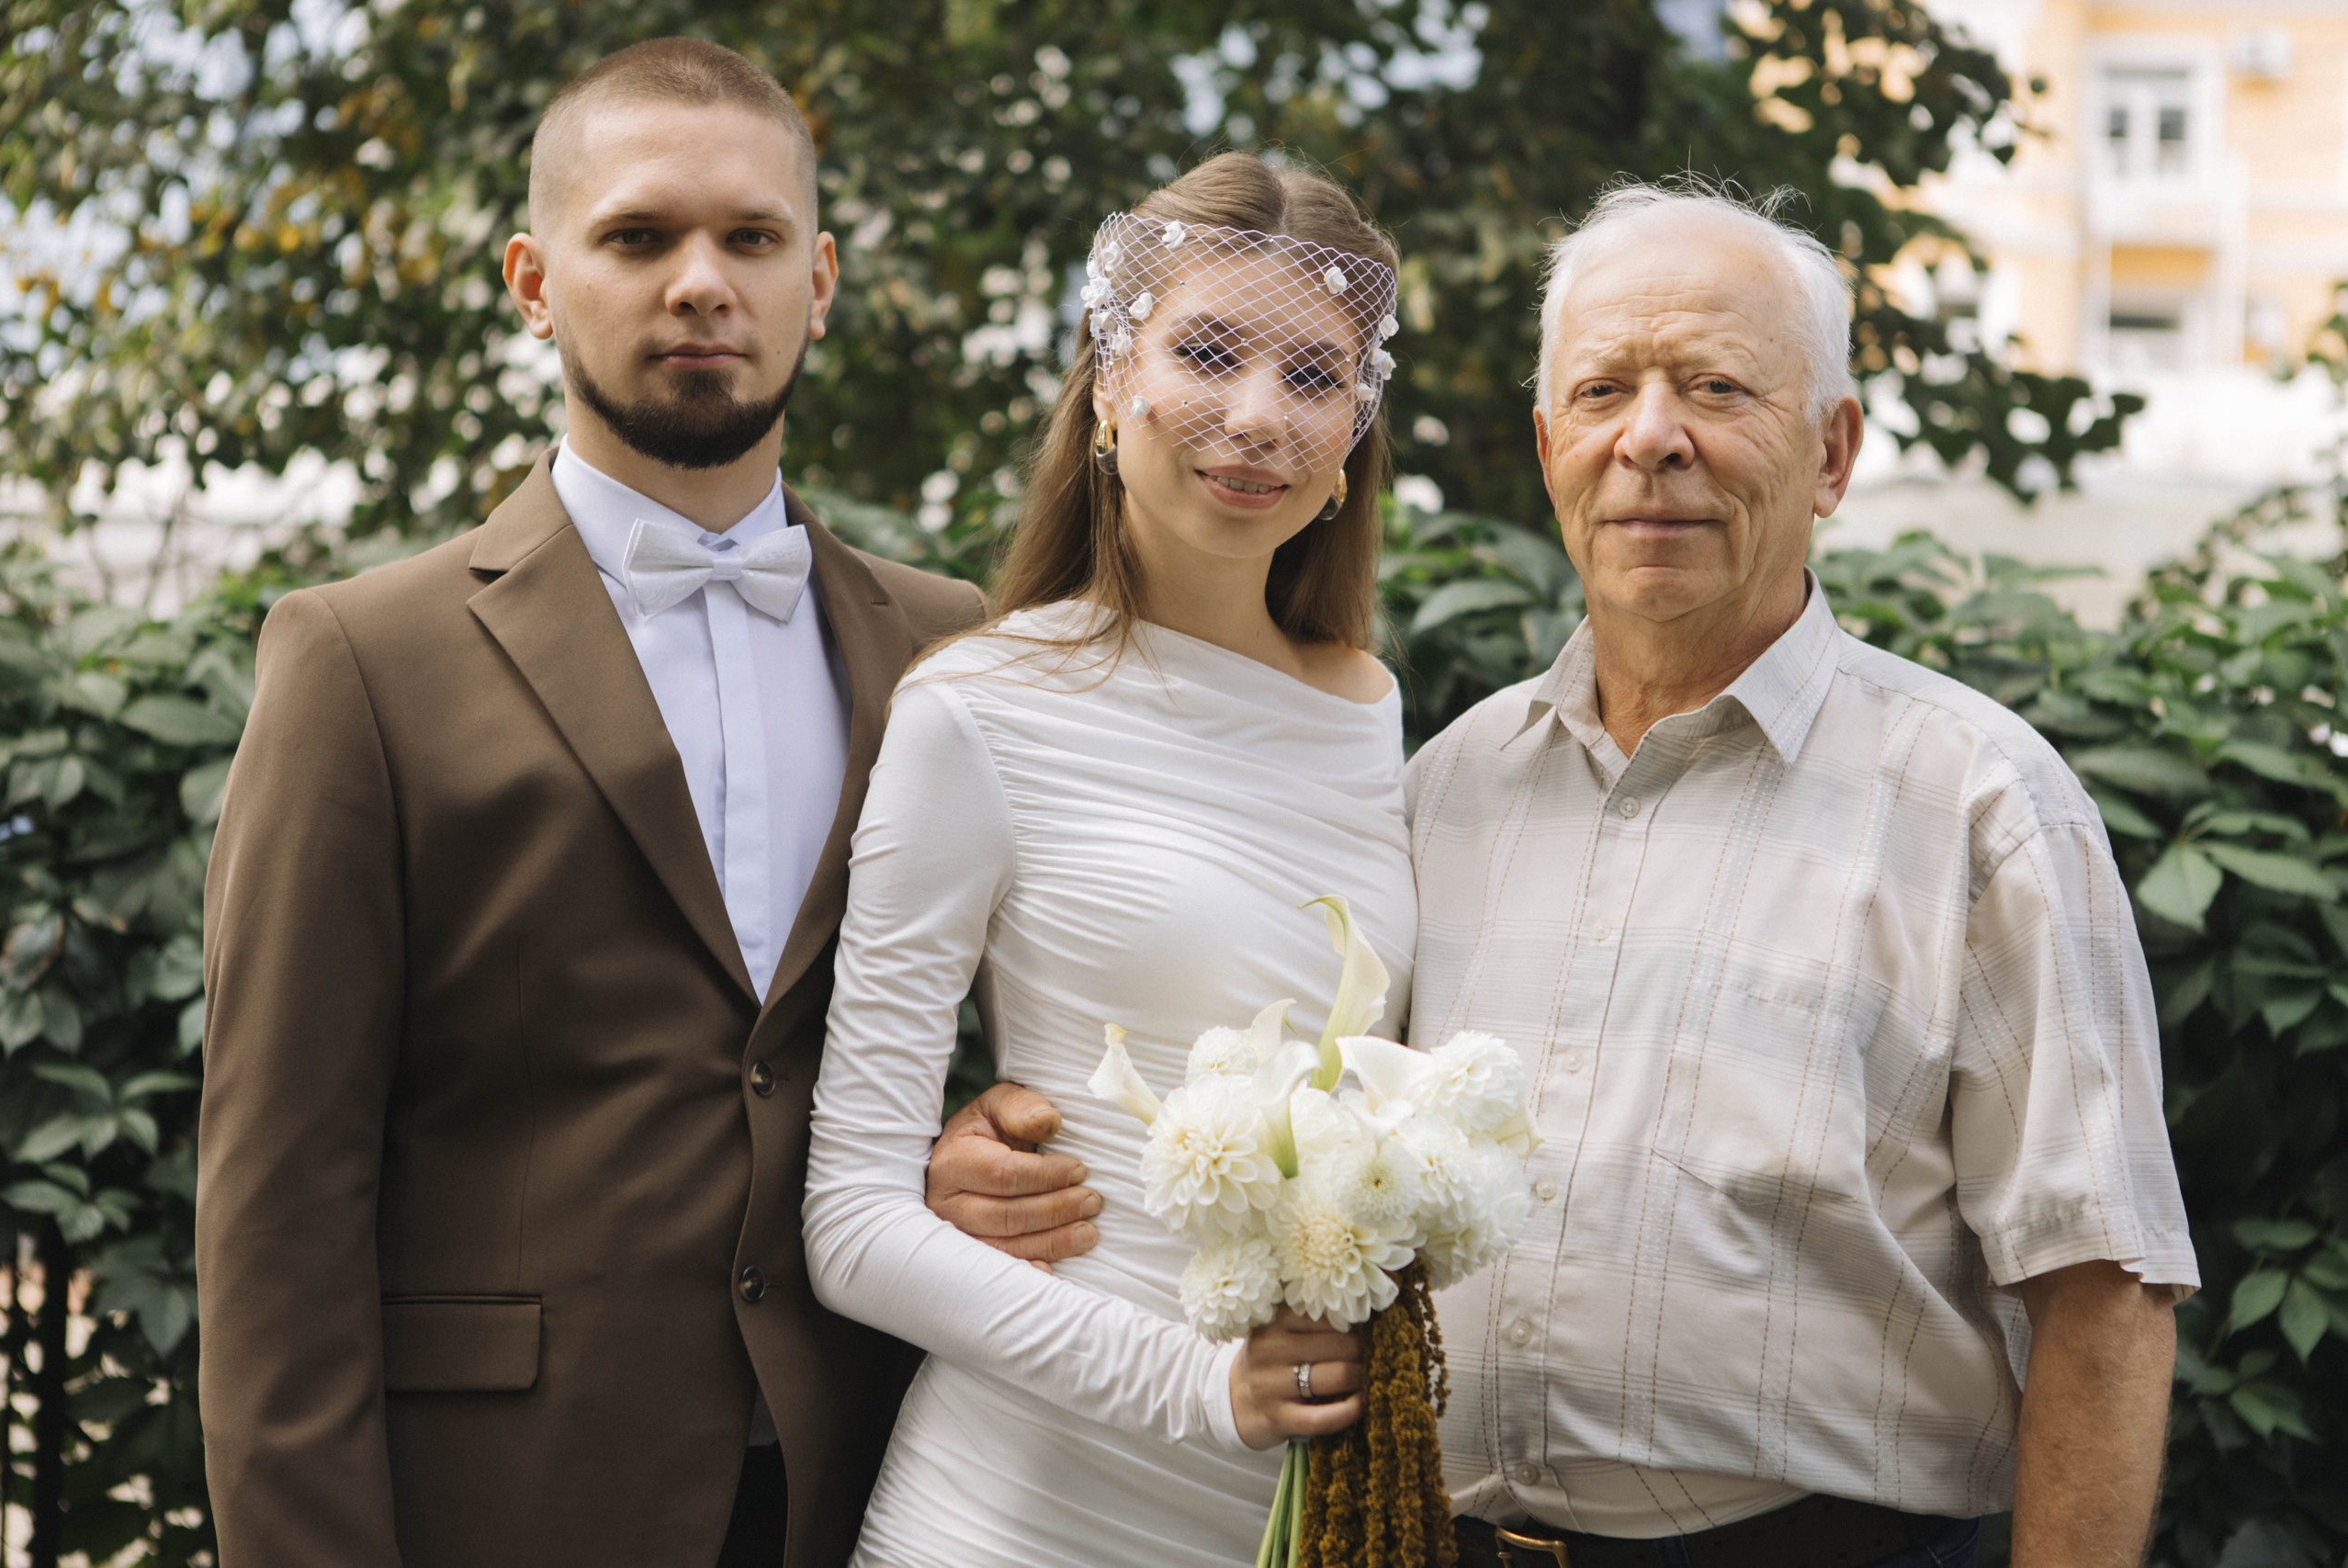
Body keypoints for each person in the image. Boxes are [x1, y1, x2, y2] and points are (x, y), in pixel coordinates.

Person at [930, 182, 2197, 1568]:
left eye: (1716, 388)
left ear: (1832, 454)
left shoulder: (1981, 804)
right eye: (1604, 392)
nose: (1652, 441)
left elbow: (2105, 1287)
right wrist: (1004, 1154)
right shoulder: (1442, 791)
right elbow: (1286, 1107)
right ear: (1550, 450)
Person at [197, 39, 987, 1568]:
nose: (701, 283)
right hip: (510, 1496)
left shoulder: (941, 642)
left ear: (817, 279)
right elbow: (278, 1197)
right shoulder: (363, 658)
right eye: (638, 236)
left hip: (881, 1477)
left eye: (750, 240)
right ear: (535, 279)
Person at [799, 152, 1409, 1568]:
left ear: (1353, 437)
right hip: (1028, 1507)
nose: (1258, 417)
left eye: (1315, 377)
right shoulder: (980, 710)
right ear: (1111, 379)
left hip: (1293, 1515)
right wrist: (1202, 1390)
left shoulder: (1372, 715)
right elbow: (854, 1222)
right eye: (1207, 352)